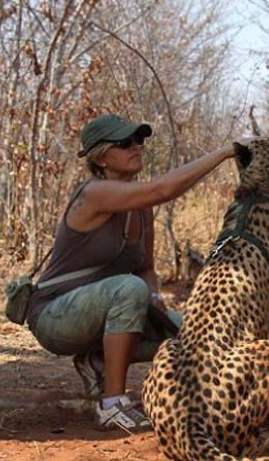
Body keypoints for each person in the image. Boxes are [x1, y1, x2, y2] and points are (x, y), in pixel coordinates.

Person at [25, 113, 247, 432]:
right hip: (56, 317)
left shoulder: (141, 208)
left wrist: (153, 295)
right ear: (100, 157)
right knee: (129, 290)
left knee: (201, 329)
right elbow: (162, 191)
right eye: (125, 143)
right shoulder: (94, 193)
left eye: (139, 141)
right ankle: (112, 403)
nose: (136, 148)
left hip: (105, 310)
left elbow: (145, 268)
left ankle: (99, 361)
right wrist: (227, 151)